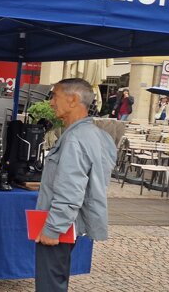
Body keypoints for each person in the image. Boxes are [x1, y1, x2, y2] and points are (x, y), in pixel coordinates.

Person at [35, 78, 116, 292]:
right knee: (56, 280)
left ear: (72, 100)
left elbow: (70, 192)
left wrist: (53, 229)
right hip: (71, 223)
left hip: (60, 225)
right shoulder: (98, 135)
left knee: (50, 285)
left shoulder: (75, 139)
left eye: (55, 96)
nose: (51, 102)